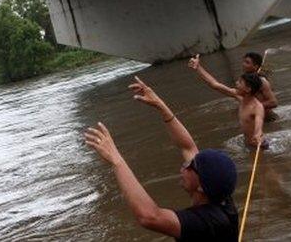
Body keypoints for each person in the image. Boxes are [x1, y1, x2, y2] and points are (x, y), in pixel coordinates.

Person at [84, 76, 238, 241]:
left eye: (190, 166)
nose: (185, 165)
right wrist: (161, 107)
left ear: (202, 187)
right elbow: (188, 147)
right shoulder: (219, 192)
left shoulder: (207, 223)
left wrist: (116, 159)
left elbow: (149, 217)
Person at [188, 55, 266, 149]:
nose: (236, 83)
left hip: (259, 146)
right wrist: (198, 68)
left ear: (248, 89)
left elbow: (259, 123)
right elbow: (215, 84)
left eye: (240, 82)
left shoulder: (257, 107)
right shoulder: (240, 97)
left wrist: (257, 135)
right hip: (248, 145)